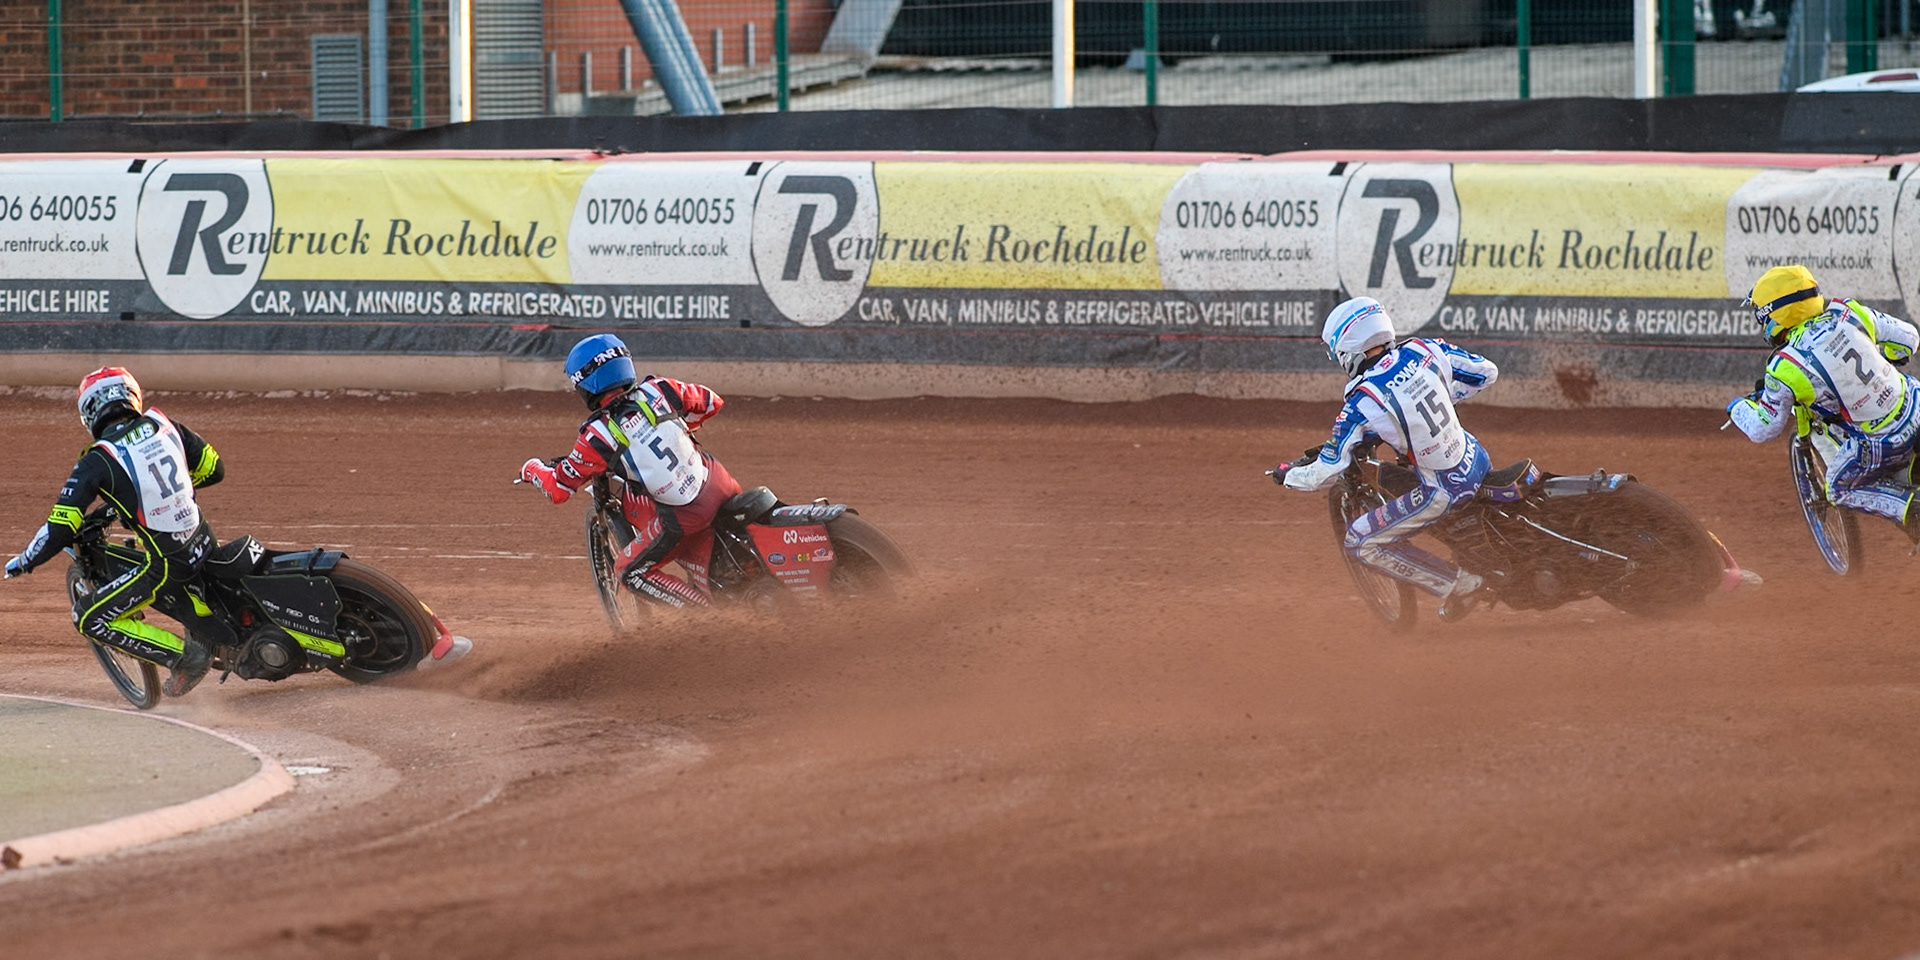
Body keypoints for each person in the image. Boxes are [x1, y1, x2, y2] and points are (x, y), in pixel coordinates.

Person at [1270, 296, 1500, 621]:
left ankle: (1461, 584)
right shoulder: (1423, 349)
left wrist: (1287, 475)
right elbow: (1486, 373)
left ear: (1350, 350)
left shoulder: (1363, 400)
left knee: (1361, 542)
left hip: (1445, 489)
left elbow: (1325, 471)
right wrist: (1441, 395)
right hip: (1476, 457)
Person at [3, 367, 224, 696]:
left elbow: (60, 528)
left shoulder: (98, 460)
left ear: (89, 410)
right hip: (204, 541)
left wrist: (25, 560)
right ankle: (206, 632)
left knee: (88, 618)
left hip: (169, 565)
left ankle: (186, 659)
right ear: (132, 395)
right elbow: (213, 469)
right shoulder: (164, 424)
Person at [520, 334, 743, 608]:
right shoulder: (660, 388)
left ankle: (707, 615)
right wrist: (682, 429)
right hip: (720, 481)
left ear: (587, 385)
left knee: (629, 571)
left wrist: (532, 468)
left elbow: (558, 490)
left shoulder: (597, 434)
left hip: (687, 515)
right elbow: (711, 403)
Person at [1727, 264, 1920, 531]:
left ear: (1773, 314)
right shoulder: (1847, 311)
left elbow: (1763, 430)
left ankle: (1911, 507)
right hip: (1915, 402)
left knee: (1838, 488)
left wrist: (1737, 408)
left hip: (1883, 438)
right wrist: (1886, 358)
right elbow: (1908, 339)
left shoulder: (1785, 366)